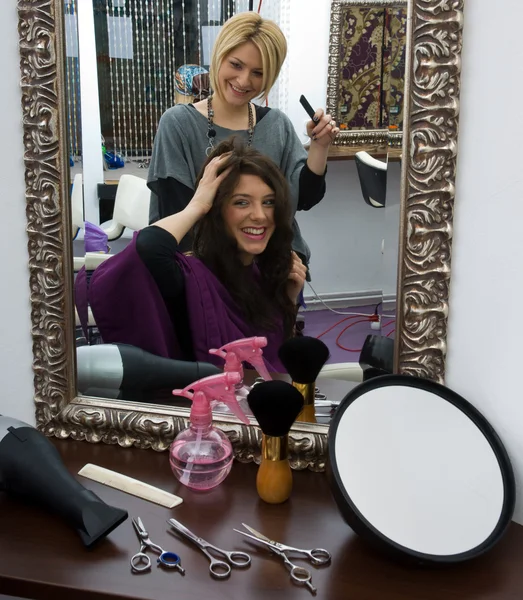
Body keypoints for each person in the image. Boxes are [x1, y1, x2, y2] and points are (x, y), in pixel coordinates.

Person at [84, 140, 307, 372]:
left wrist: (288, 302)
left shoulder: (264, 277)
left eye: (269, 202)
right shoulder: (188, 278)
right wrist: (197, 205)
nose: (260, 216)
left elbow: (278, 363)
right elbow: (148, 249)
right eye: (242, 202)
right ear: (216, 209)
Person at [147, 11, 339, 270]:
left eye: (258, 73)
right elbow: (177, 213)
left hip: (274, 264)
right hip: (204, 266)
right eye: (236, 65)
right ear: (219, 56)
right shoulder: (178, 124)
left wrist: (320, 146)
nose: (244, 80)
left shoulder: (276, 125)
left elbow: (303, 198)